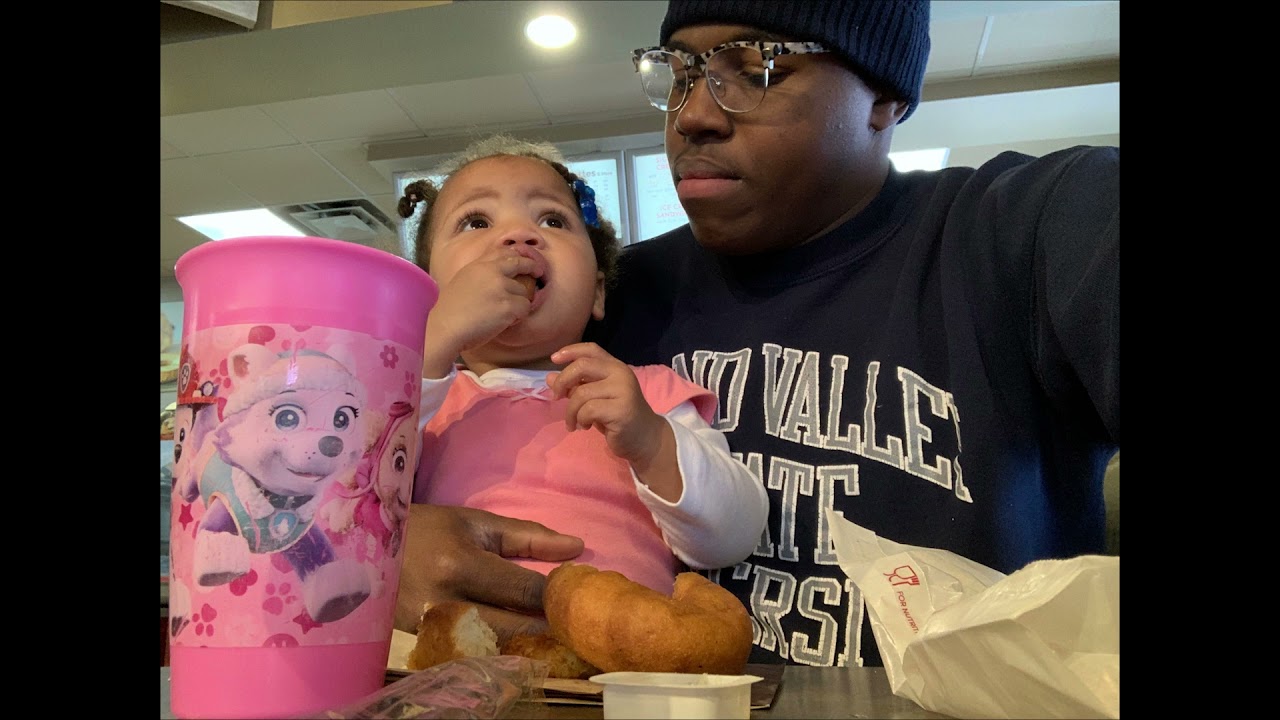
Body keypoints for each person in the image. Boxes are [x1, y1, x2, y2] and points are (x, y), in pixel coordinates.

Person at [396, 0, 1119, 669]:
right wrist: (384, 541)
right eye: (680, 73)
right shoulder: (598, 296)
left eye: (756, 67)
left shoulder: (1033, 228)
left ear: (885, 94)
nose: (693, 117)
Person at [393, 135, 769, 634]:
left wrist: (650, 440)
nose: (517, 236)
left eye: (552, 220)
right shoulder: (419, 398)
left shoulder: (647, 394)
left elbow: (733, 535)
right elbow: (346, 489)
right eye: (476, 222)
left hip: (619, 661)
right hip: (450, 661)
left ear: (596, 293)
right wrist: (433, 341)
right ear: (429, 295)